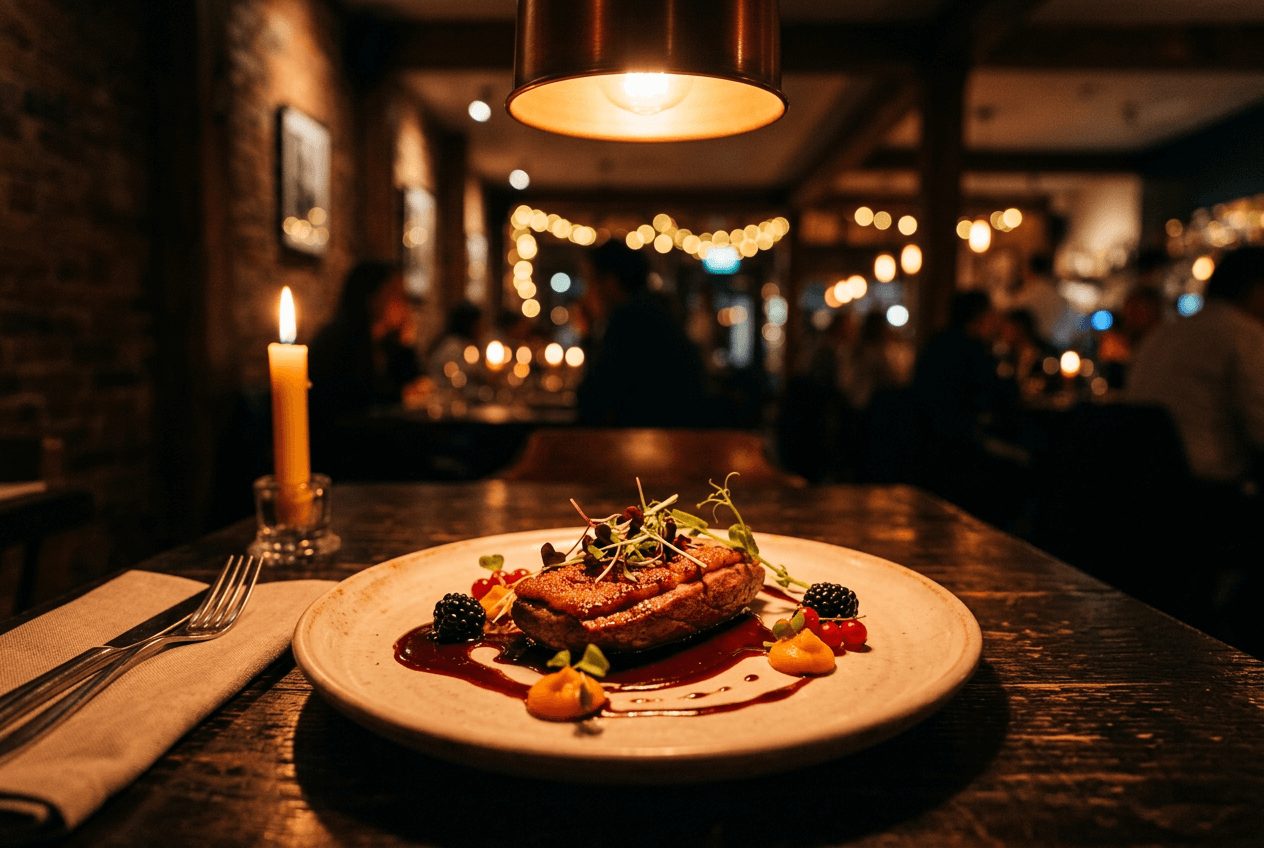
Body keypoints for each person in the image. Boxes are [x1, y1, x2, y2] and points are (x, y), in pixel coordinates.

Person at [1126, 246, 1264, 654]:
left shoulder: (1168, 331)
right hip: (1202, 502)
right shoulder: (1244, 334)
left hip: (1137, 499)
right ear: (1257, 291)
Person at [911, 290, 1024, 525]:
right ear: (981, 316)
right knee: (1028, 460)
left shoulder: (936, 342)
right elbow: (1001, 399)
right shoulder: (974, 349)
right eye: (992, 313)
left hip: (925, 444)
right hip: (961, 444)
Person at [575, 241, 707, 426]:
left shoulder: (629, 321)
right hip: (675, 432)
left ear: (610, 283)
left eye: (589, 281)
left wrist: (587, 334)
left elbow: (592, 399)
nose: (586, 293)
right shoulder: (653, 312)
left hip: (650, 440)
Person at [308, 261, 424, 470]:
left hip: (374, 445)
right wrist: (401, 395)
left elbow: (412, 380)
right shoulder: (339, 338)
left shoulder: (383, 342)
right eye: (394, 293)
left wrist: (407, 340)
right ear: (371, 295)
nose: (403, 303)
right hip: (344, 454)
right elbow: (351, 398)